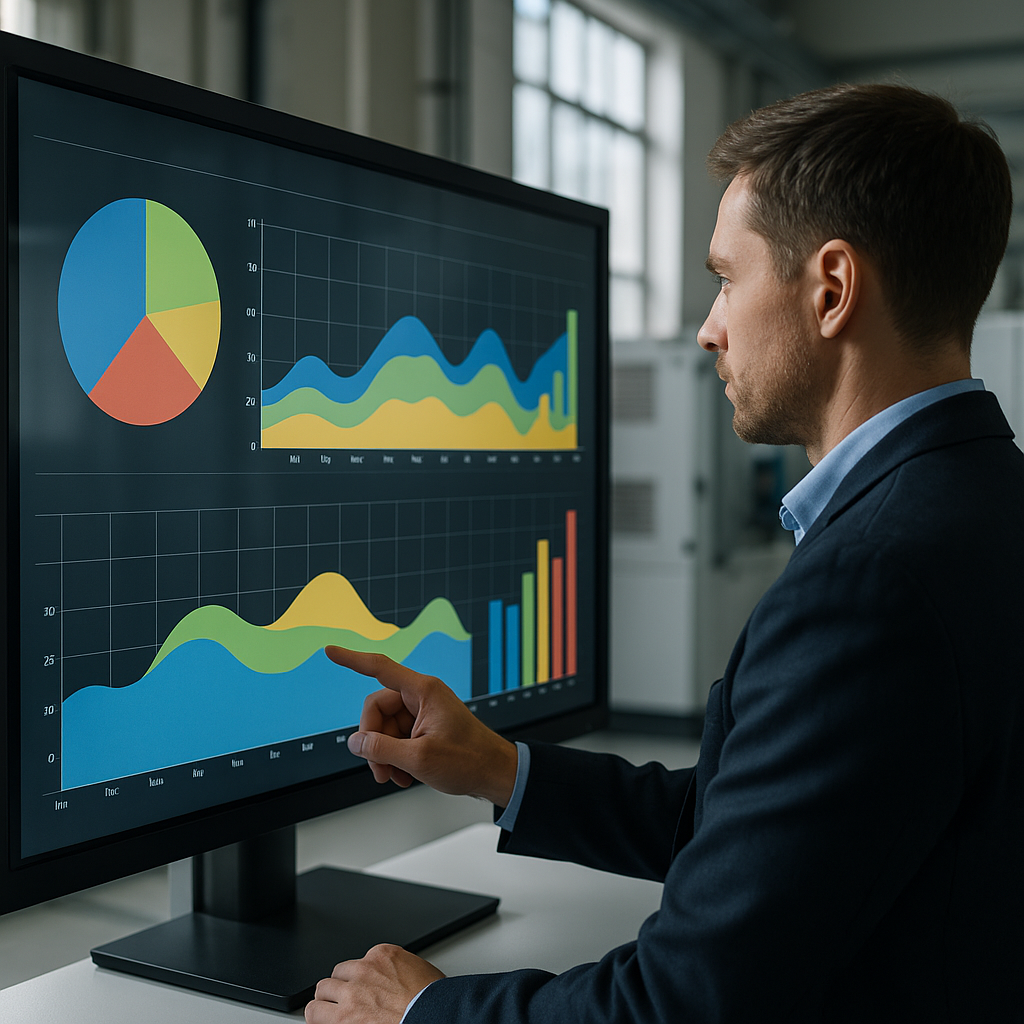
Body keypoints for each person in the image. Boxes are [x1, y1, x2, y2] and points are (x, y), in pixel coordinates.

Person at [305, 83, 1024, 1023]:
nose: (707, 327)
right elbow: (767, 828)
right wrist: (501, 768)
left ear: (832, 289)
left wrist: (422, 1014)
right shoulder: (983, 500)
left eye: (727, 277)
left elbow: (683, 1003)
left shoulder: (872, 578)